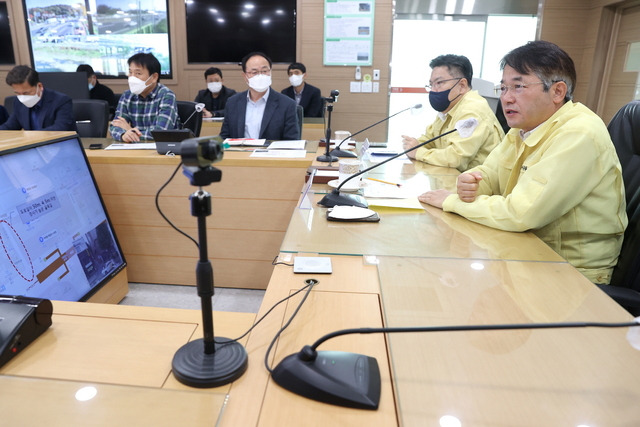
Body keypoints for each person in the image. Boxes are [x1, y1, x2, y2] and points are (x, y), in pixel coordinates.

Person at [419, 41, 627, 285]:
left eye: (517, 87)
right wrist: (471, 183)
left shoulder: (579, 133)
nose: (506, 98)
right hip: (526, 250)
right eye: (503, 88)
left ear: (557, 92)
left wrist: (452, 201)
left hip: (571, 272)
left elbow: (521, 213)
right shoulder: (523, 129)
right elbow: (490, 173)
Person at [401, 54, 504, 172]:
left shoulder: (472, 111)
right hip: (458, 180)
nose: (433, 90)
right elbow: (430, 139)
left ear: (462, 85)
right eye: (431, 84)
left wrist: (418, 152)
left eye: (439, 83)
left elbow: (456, 159)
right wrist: (414, 145)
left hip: (481, 186)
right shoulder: (450, 108)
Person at [220, 52, 299, 140]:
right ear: (245, 76)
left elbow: (292, 142)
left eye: (265, 71)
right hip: (240, 153)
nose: (260, 75)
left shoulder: (287, 104)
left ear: (270, 72)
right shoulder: (232, 103)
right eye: (254, 72)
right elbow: (224, 139)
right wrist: (228, 150)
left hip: (271, 153)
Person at [109, 52, 180, 142]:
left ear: (154, 77)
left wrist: (129, 130)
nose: (132, 78)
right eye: (130, 72)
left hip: (163, 151)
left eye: (138, 73)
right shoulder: (127, 95)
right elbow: (115, 125)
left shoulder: (166, 95)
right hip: (135, 149)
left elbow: (162, 133)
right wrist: (123, 134)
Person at [0, 65, 76, 131]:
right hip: (33, 145)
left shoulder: (61, 101)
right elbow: (10, 125)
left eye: (26, 93)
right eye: (17, 93)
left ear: (39, 86)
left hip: (59, 145)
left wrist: (31, 137)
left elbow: (60, 128)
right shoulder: (18, 102)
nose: (22, 97)